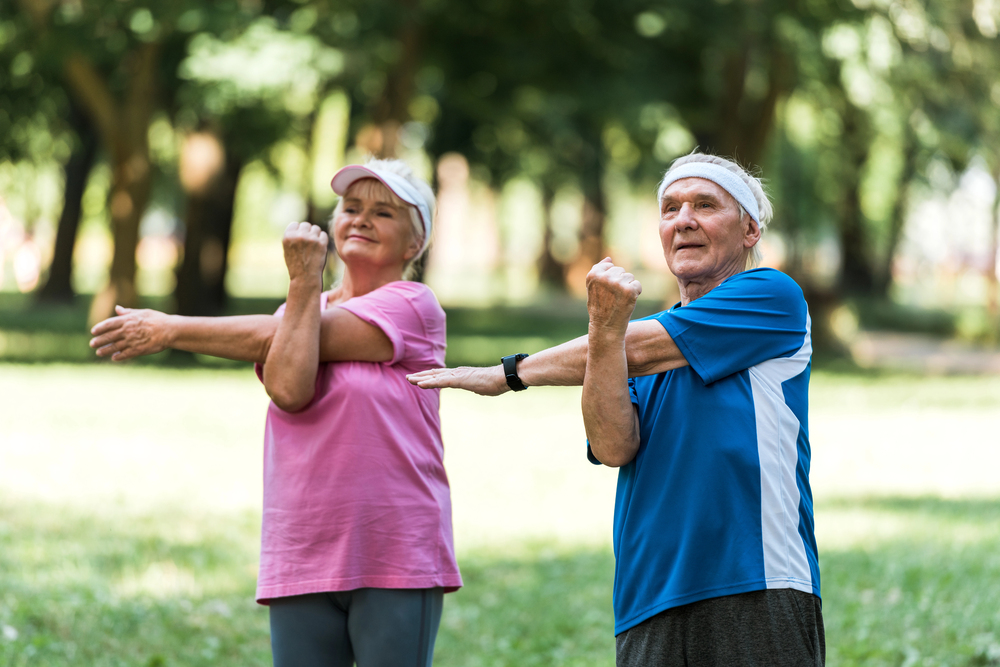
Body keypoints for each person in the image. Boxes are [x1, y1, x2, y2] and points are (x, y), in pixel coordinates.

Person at [408, 153, 823, 666]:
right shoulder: (625, 343)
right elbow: (613, 446)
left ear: (750, 231)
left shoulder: (771, 296)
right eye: (670, 208)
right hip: (647, 594)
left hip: (757, 580)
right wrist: (604, 332)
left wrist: (508, 373)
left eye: (705, 204)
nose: (683, 219)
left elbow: (643, 348)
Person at [90, 159, 462, 667]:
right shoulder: (300, 308)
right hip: (303, 543)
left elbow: (293, 337)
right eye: (351, 208)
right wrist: (305, 285)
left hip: (394, 544)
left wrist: (171, 328)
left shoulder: (415, 306)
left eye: (384, 213)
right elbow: (289, 388)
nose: (361, 219)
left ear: (414, 244)